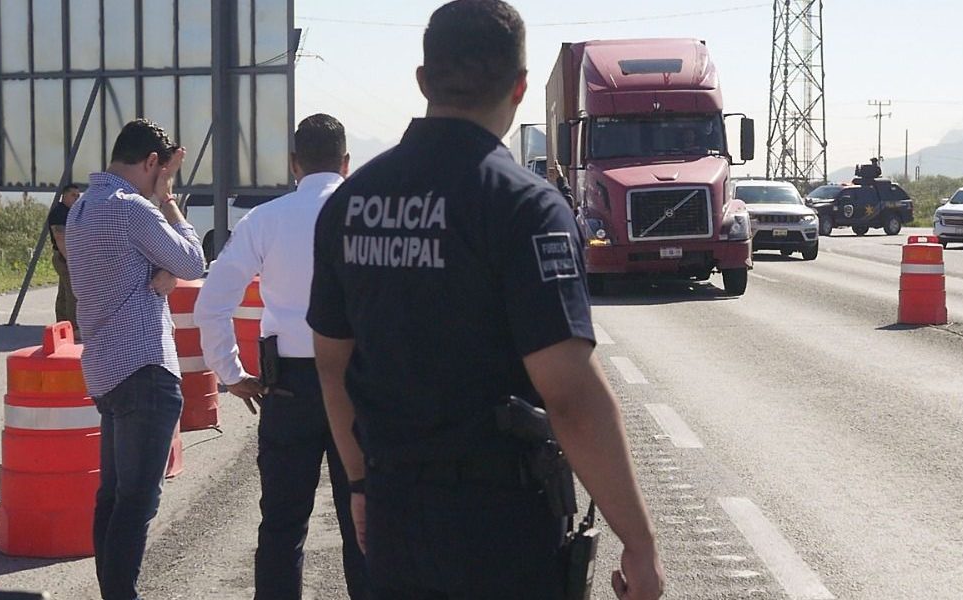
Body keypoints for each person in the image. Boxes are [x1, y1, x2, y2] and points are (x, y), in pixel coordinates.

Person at [307, 1, 665, 598]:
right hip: (501, 527)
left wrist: (361, 484)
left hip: (397, 515)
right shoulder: (525, 205)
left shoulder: (350, 203)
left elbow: (330, 366)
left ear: (423, 80)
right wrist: (640, 541)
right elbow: (571, 396)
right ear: (519, 87)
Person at [195, 114, 368, 599]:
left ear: (294, 163)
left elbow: (211, 303)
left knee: (282, 526)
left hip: (288, 385)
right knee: (366, 520)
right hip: (358, 383)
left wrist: (231, 373)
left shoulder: (265, 219)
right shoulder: (369, 215)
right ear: (346, 162)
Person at [64, 119, 205, 600]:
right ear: (151, 163)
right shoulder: (131, 208)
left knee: (113, 497)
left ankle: (113, 592)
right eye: (162, 172)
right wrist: (168, 201)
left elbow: (152, 266)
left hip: (106, 368)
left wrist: (162, 269)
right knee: (138, 501)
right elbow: (193, 261)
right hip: (145, 365)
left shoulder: (85, 206)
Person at [48, 182, 82, 329]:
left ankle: (61, 325)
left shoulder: (70, 212)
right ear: (64, 196)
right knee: (72, 293)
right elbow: (59, 237)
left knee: (64, 292)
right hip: (64, 256)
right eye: (73, 195)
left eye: (78, 196)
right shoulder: (60, 212)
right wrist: (70, 259)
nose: (76, 198)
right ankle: (73, 327)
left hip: (67, 256)